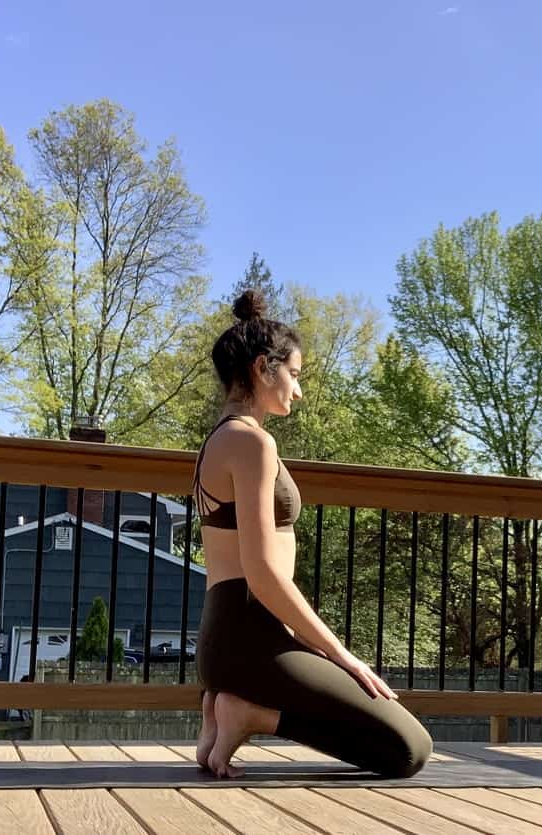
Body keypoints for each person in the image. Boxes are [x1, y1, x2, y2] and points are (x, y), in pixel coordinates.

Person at [192, 289, 432, 779]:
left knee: (395, 737)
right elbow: (262, 575)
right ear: (264, 368)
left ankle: (225, 706)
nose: (297, 391)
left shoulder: (218, 440)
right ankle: (248, 714)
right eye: (294, 375)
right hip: (249, 636)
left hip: (233, 635)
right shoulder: (250, 442)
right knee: (409, 749)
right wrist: (343, 655)